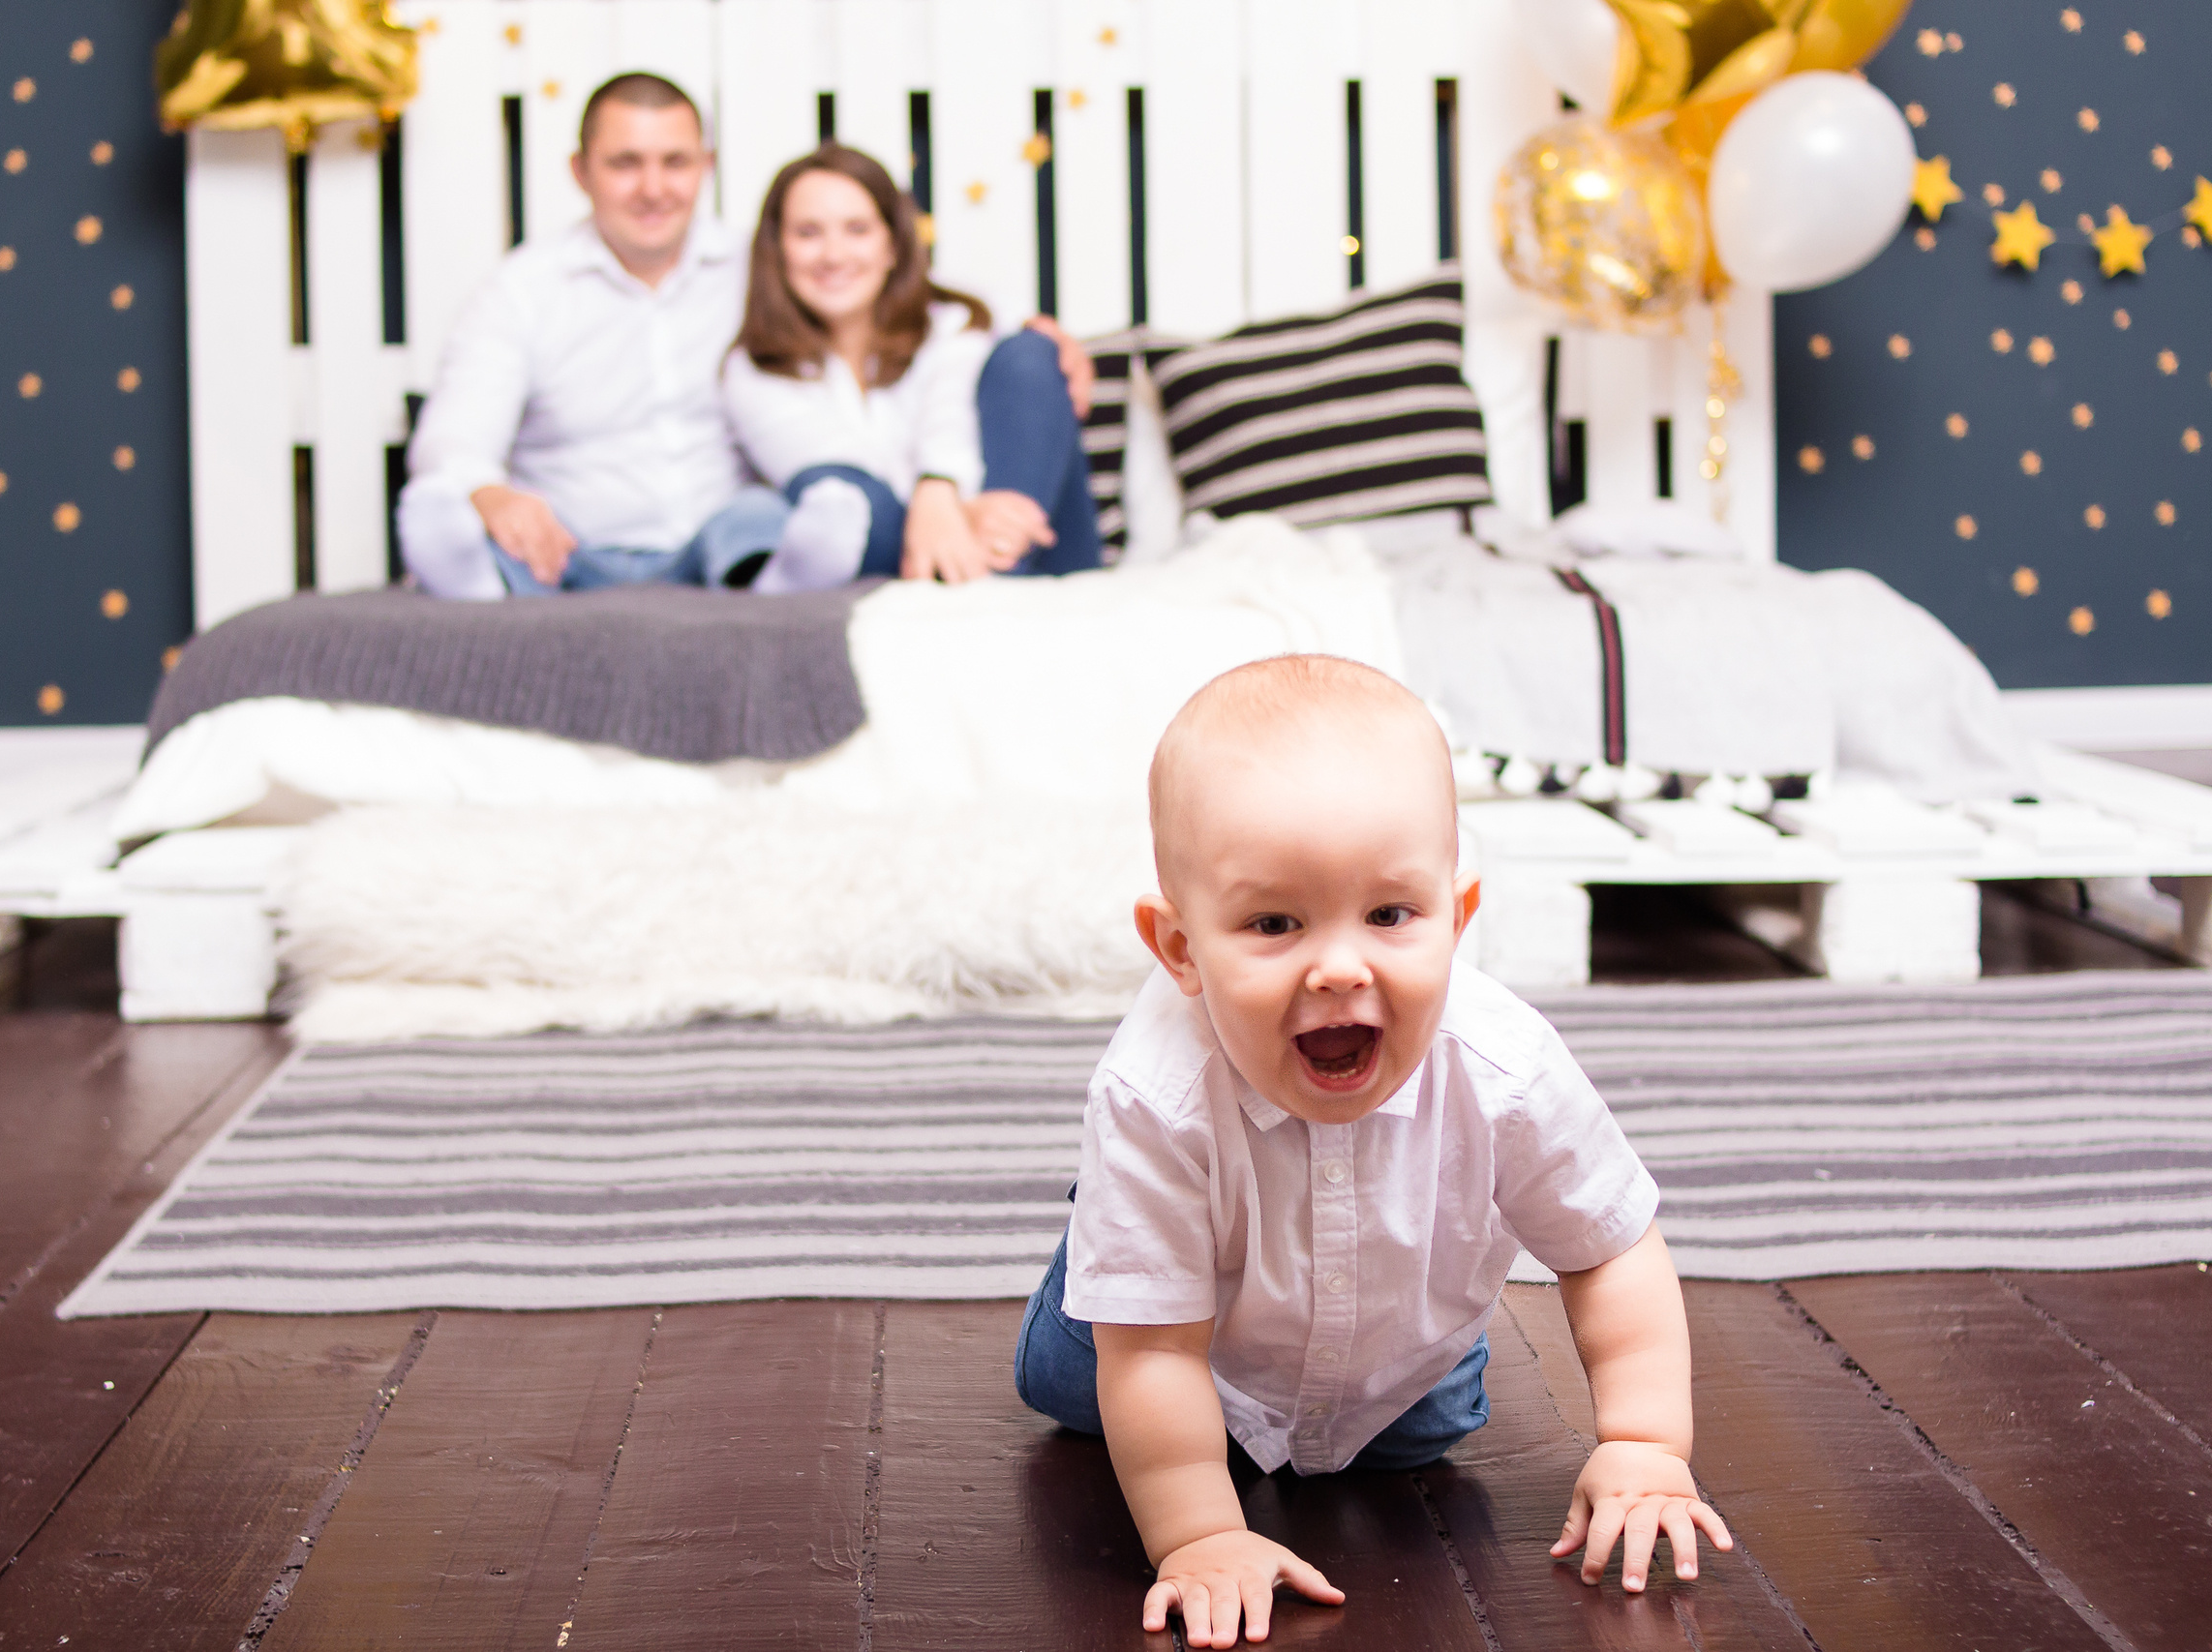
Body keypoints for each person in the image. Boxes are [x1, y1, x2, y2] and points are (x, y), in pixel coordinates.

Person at [1013, 655, 1734, 1650]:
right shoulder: (1155, 1094)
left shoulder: (1503, 1065)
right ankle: (1108, 1239)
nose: (1341, 966)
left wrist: (1646, 1443)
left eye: (1390, 915)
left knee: (1418, 1442)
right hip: (1172, 1348)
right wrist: (1202, 1534)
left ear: (1457, 918)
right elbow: (1155, 1354)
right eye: (1274, 923)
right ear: (1179, 950)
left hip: (1400, 1371)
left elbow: (1606, 1243)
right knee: (1084, 1375)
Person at [397, 82, 1094, 600]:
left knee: (763, 519)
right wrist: (489, 493)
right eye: (624, 163)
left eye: (674, 161)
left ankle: (791, 589)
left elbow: (937, 319)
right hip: (575, 539)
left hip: (721, 538)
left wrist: (1039, 338)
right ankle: (479, 582)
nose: (652, 187)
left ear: (705, 165)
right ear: (581, 170)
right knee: (819, 500)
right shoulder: (523, 289)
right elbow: (453, 435)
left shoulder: (763, 267)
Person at [720, 144, 1103, 593]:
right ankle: (983, 596)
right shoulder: (753, 371)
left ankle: (989, 586)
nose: (833, 254)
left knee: (1030, 355)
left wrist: (939, 489)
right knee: (849, 503)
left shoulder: (963, 319)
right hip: (906, 553)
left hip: (1037, 553)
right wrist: (948, 505)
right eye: (808, 233)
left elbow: (963, 392)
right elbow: (854, 498)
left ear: (892, 246)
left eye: (857, 229)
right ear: (778, 251)